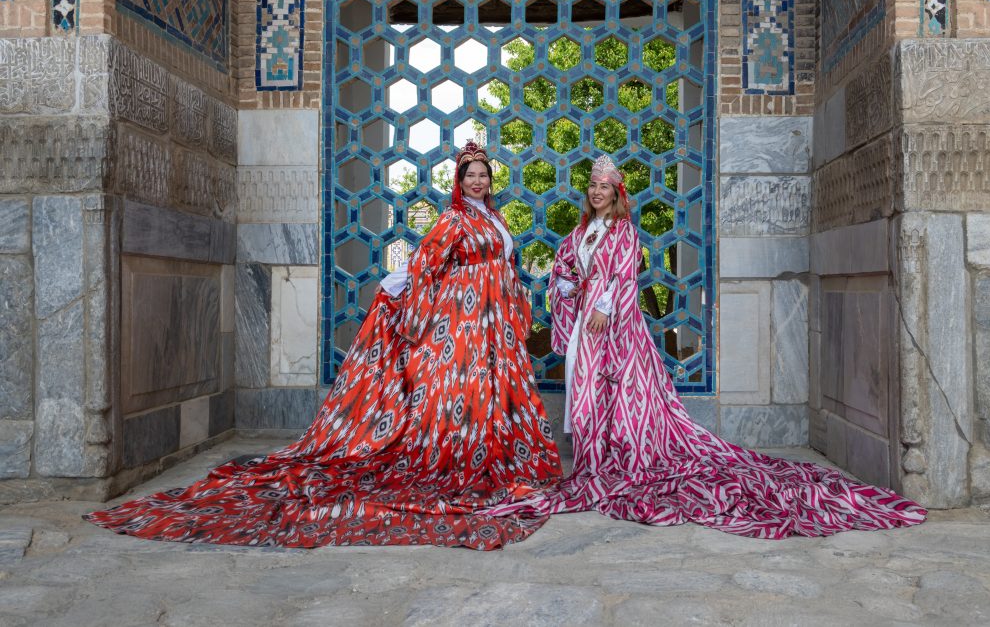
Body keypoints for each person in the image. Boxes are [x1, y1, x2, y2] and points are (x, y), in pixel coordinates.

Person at [86, 141, 562, 550]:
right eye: (470, 175)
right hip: (465, 322)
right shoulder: (453, 221)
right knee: (466, 392)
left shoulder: (495, 220)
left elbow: (507, 266)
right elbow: (423, 264)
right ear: (459, 180)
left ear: (491, 180)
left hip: (494, 321)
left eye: (483, 174)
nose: (477, 181)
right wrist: (392, 292)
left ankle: (500, 456)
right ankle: (456, 458)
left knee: (498, 394)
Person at [486, 155, 927, 538]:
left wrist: (602, 305)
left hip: (615, 325)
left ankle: (620, 453)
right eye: (592, 186)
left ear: (616, 192)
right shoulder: (583, 233)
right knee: (586, 388)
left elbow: (623, 275)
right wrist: (568, 289)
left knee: (617, 390)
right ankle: (591, 459)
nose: (597, 192)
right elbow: (565, 267)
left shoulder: (622, 230)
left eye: (604, 186)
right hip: (588, 325)